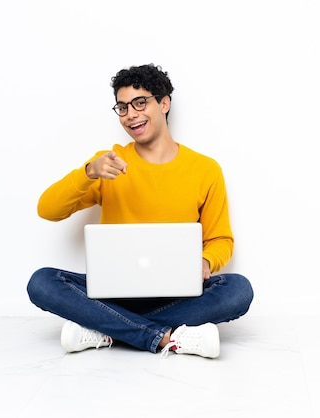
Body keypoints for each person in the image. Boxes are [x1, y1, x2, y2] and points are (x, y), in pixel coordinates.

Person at [27, 64, 254, 359]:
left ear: (164, 103)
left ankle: (106, 329)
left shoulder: (204, 169)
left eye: (139, 102)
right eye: (122, 107)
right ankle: (165, 337)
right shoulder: (108, 163)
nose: (130, 114)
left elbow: (221, 240)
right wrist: (88, 172)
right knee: (42, 282)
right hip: (112, 292)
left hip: (177, 293)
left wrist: (206, 261)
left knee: (238, 290)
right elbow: (47, 209)